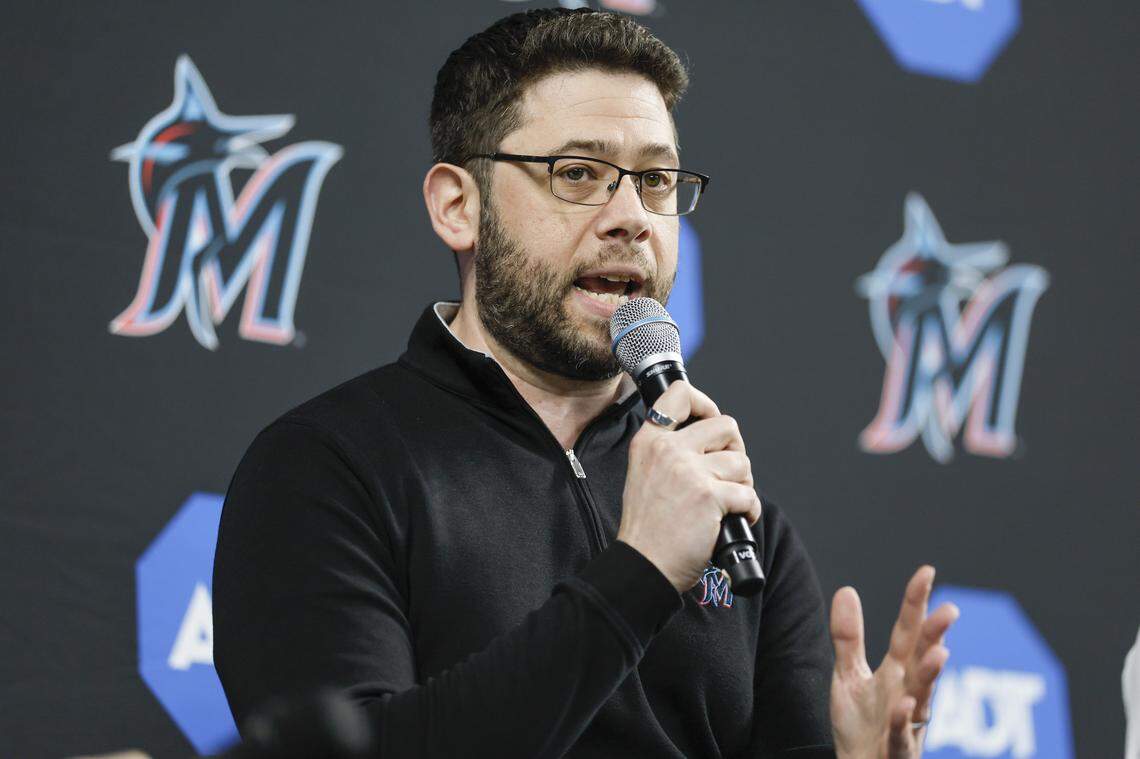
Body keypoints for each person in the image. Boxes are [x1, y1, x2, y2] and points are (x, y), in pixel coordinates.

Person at [213, 9, 958, 758]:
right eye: (578, 173)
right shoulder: (324, 467)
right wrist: (639, 573)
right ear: (457, 205)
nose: (631, 217)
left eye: (657, 180)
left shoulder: (740, 519)